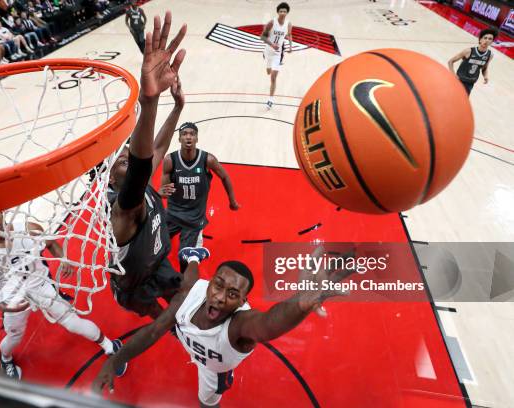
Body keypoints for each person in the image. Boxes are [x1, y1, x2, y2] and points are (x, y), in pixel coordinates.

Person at [93, 247, 352, 407]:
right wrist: (115, 358)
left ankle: (192, 255)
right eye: (218, 285)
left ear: (242, 301)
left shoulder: (240, 325)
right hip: (191, 325)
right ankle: (193, 255)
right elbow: (152, 331)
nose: (219, 296)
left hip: (210, 367)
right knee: (187, 281)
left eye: (232, 294)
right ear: (211, 282)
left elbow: (268, 325)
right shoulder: (191, 295)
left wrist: (300, 302)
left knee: (208, 402)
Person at [0, 212, 126, 380]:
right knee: (14, 336)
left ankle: (110, 346)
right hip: (13, 297)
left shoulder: (28, 229)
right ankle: (5, 360)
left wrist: (64, 259)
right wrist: (2, 305)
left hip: (41, 285)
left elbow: (51, 244)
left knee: (73, 323)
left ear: (3, 212)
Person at [106, 11, 187, 319]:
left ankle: (181, 326)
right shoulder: (123, 209)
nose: (125, 152)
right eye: (118, 159)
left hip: (159, 263)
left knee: (180, 305)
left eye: (126, 149)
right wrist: (149, 101)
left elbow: (158, 147)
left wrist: (177, 108)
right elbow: (140, 167)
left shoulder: (137, 183)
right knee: (161, 320)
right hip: (136, 285)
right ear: (110, 179)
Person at [160, 121, 239, 270]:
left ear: (197, 138)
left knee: (186, 260)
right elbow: (164, 192)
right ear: (179, 139)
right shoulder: (170, 160)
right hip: (172, 214)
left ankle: (186, 287)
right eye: (184, 134)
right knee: (155, 246)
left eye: (192, 134)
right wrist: (161, 191)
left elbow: (225, 176)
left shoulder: (207, 159)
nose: (188, 137)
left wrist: (232, 201)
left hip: (194, 218)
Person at [260, 2, 292, 109]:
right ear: (278, 12)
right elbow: (262, 37)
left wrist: (290, 46)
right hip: (268, 50)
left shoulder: (288, 24)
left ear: (287, 12)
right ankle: (268, 65)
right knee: (268, 72)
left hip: (278, 54)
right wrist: (272, 44)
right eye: (281, 11)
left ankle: (270, 100)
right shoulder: (271, 23)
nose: (283, 13)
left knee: (273, 77)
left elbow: (290, 34)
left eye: (285, 11)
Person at [448, 28, 496, 96]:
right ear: (480, 39)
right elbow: (450, 61)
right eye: (485, 38)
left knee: (462, 102)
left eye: (490, 39)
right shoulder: (468, 51)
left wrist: (485, 76)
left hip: (470, 83)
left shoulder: (490, 55)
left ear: (492, 42)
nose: (487, 40)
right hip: (459, 80)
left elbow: (484, 68)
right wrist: (453, 75)